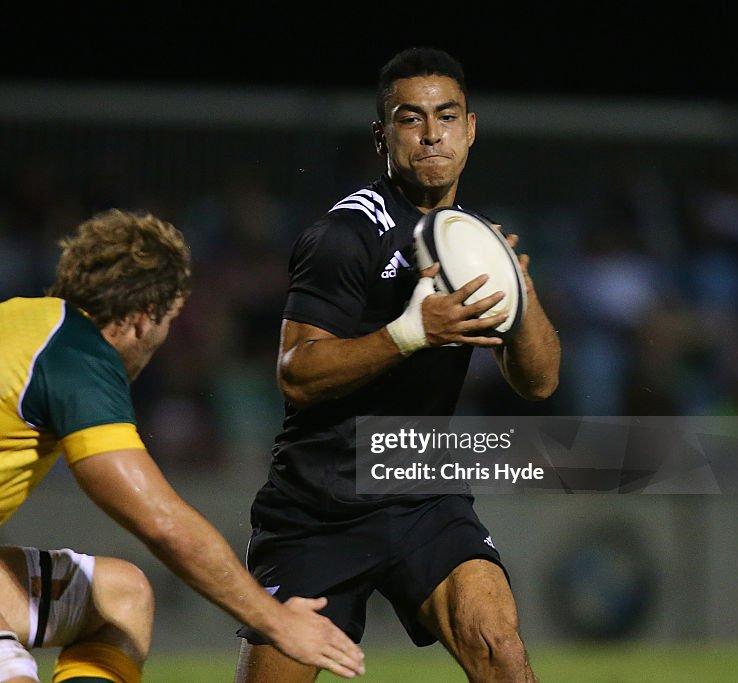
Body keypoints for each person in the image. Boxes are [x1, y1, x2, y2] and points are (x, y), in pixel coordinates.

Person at [0, 209, 365, 683]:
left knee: (120, 596)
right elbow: (161, 521)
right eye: (168, 323)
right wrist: (278, 623)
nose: (163, 342)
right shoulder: (75, 356)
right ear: (144, 316)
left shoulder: (15, 323)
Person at [234, 47, 561, 682]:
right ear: (383, 136)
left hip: (422, 485)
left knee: (497, 642)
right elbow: (297, 372)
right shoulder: (345, 234)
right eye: (411, 119)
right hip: (320, 500)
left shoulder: (473, 241)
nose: (432, 133)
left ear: (471, 129)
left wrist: (523, 295)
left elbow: (540, 381)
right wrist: (409, 334)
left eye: (447, 116)